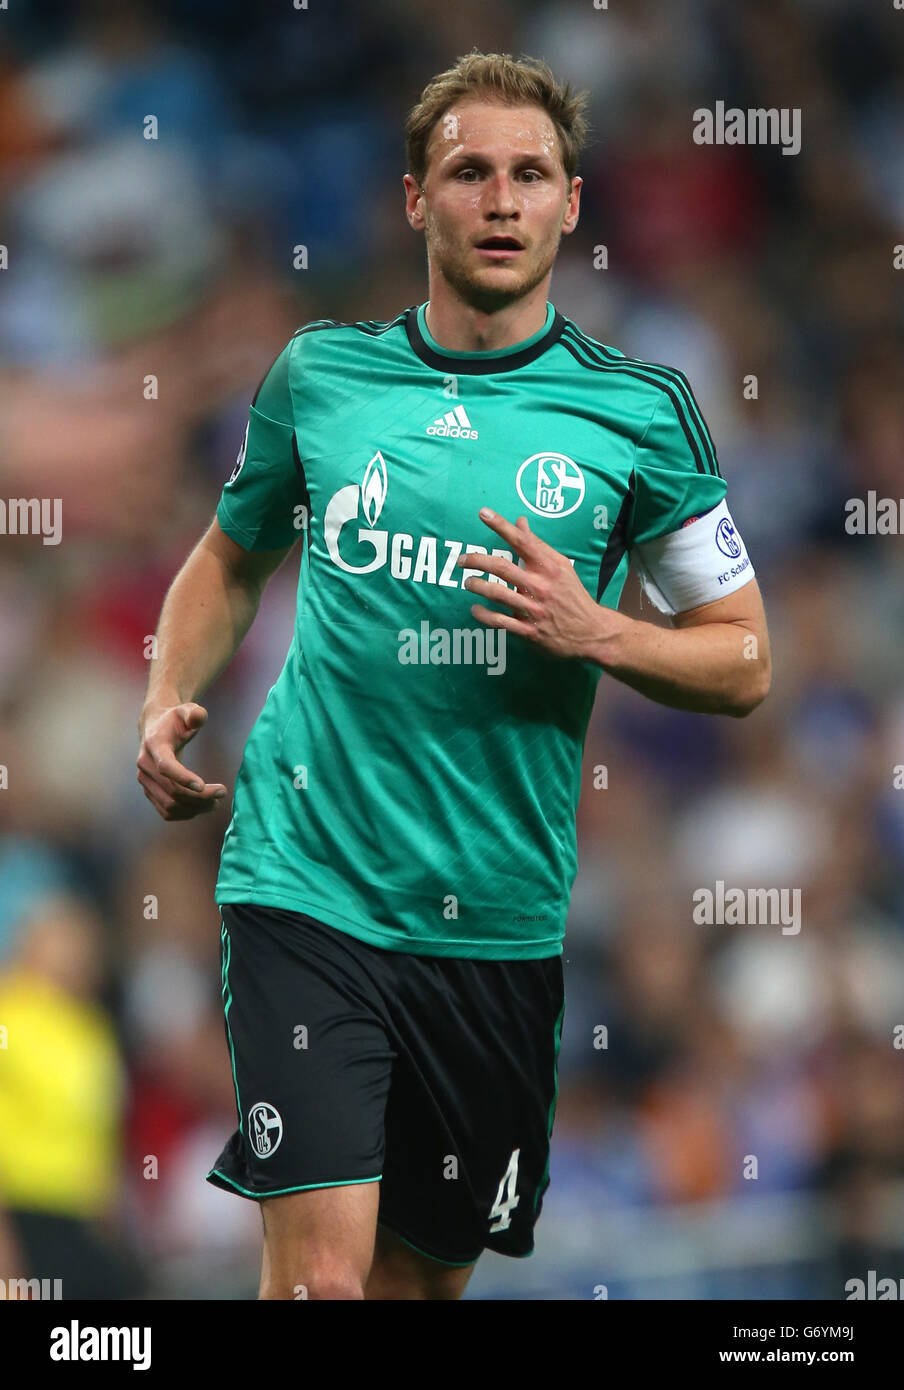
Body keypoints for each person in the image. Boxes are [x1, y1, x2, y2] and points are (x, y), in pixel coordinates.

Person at [137, 51, 771, 1301]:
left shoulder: (640, 414)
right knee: (321, 1281)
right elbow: (227, 556)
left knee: (412, 1289)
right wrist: (163, 696)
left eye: (528, 174)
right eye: (468, 172)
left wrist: (604, 632)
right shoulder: (321, 378)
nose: (499, 199)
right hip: (307, 883)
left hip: (495, 924)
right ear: (415, 201)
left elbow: (745, 660)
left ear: (570, 204)